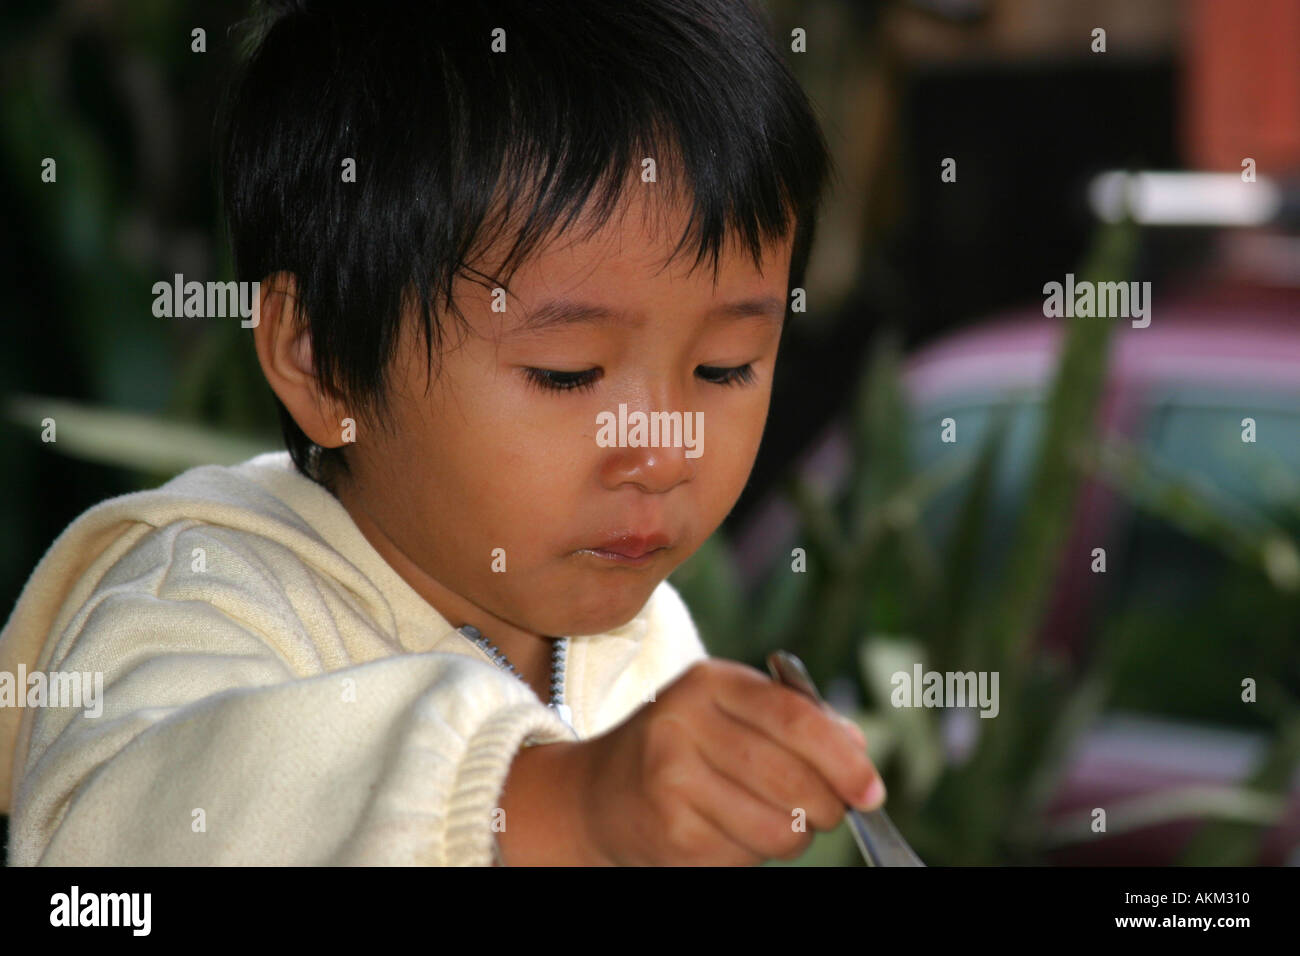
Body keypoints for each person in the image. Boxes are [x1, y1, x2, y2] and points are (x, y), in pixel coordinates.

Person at [0, 0, 885, 865]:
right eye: (567, 373)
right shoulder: (197, 594)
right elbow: (121, 831)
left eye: (724, 366)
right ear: (322, 358)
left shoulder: (647, 648)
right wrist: (557, 805)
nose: (662, 452)